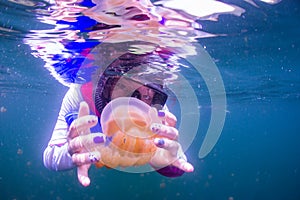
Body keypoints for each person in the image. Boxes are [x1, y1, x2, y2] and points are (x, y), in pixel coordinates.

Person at [43, 50, 194, 187]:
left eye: (146, 95)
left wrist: (165, 163)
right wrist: (71, 153)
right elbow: (50, 156)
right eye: (123, 88)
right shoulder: (79, 96)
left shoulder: (152, 111)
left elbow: (179, 161)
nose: (133, 105)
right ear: (104, 86)